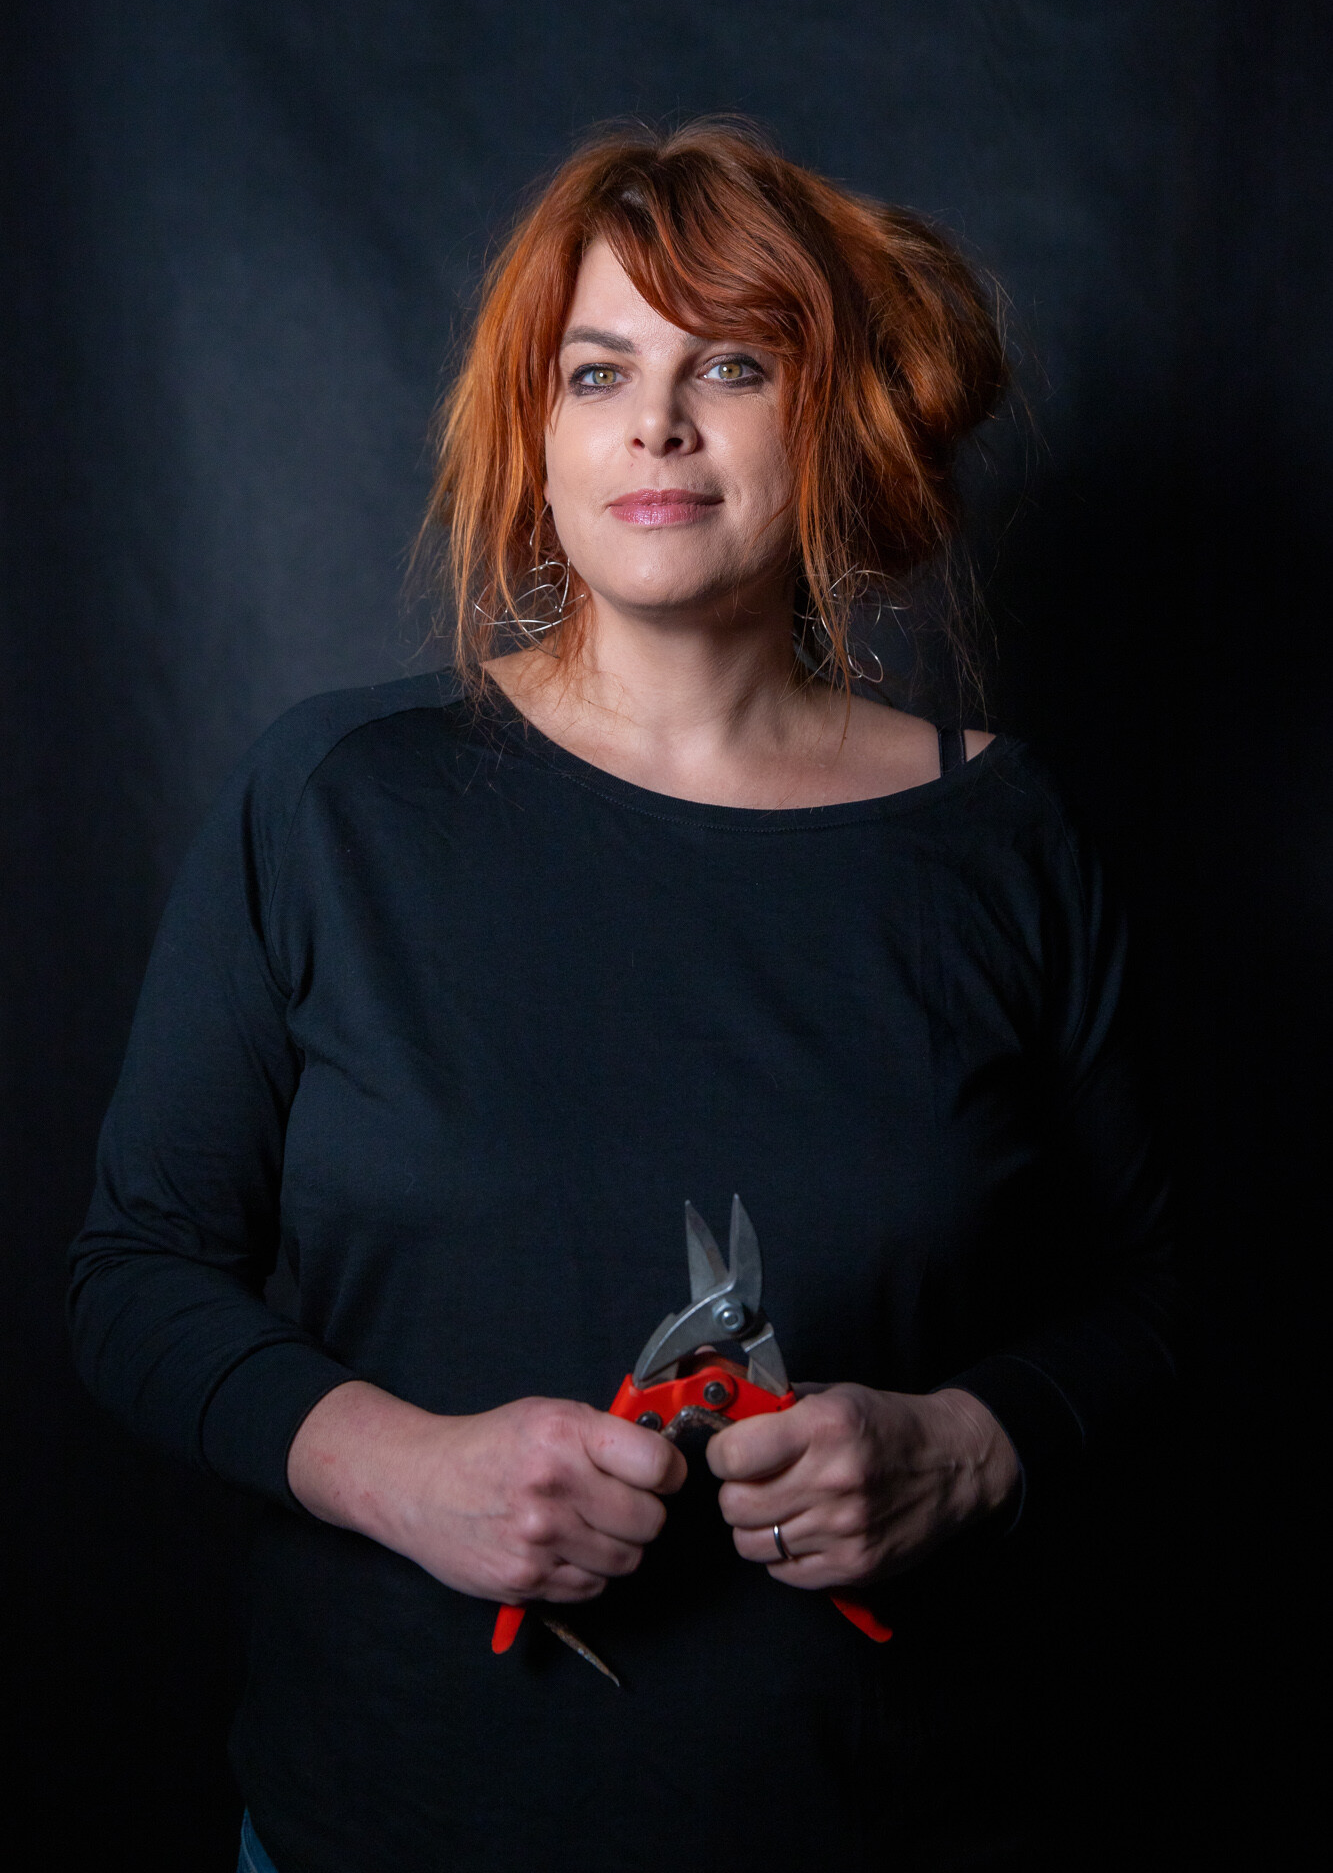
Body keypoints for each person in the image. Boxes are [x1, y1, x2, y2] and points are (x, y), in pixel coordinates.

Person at [70, 120, 1172, 1873]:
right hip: (389, 1820)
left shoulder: (999, 836)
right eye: (598, 372)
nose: (655, 423)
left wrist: (970, 1443)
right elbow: (133, 1275)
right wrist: (397, 1469)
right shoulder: (336, 804)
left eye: (729, 365)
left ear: (835, 417)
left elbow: (1175, 1295)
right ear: (539, 433)